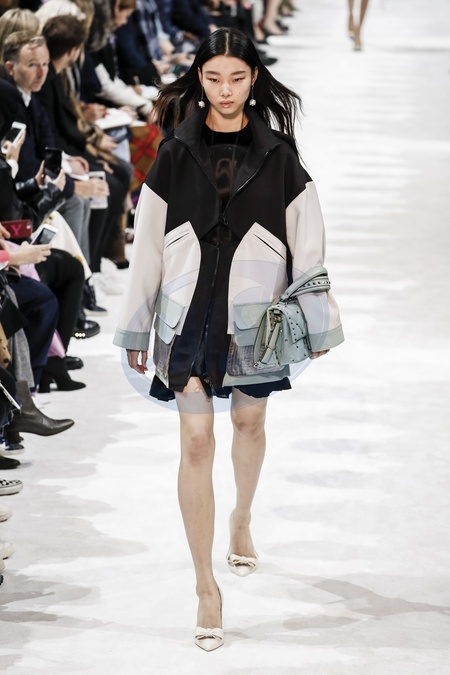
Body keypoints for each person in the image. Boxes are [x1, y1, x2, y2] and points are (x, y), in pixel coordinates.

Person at [114, 27, 343, 651]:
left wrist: (316, 318)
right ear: (199, 79)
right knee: (195, 440)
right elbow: (147, 245)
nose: (224, 90)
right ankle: (204, 585)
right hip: (187, 314)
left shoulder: (280, 157)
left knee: (248, 423)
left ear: (254, 80)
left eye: (237, 78)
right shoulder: (173, 153)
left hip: (253, 315)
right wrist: (136, 322)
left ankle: (241, 516)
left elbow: (309, 243)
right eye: (213, 77)